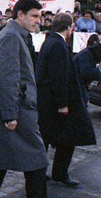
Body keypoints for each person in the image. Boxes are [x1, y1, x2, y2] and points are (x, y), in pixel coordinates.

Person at [0, 0, 70, 198]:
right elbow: (7, 78)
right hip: (15, 108)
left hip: (11, 107)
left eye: (40, 16)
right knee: (37, 159)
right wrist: (10, 115)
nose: (39, 21)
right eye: (34, 16)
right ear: (20, 15)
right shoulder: (11, 37)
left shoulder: (14, 35)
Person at [36, 13, 96, 187]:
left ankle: (43, 172)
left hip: (47, 101)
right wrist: (63, 104)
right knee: (67, 137)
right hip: (55, 103)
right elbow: (59, 77)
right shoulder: (57, 44)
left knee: (46, 137)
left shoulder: (49, 41)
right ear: (69, 27)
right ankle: (58, 173)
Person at [73, 34, 101, 107]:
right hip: (78, 89)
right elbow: (85, 73)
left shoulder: (88, 54)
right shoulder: (85, 54)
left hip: (81, 87)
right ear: (95, 42)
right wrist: (99, 69)